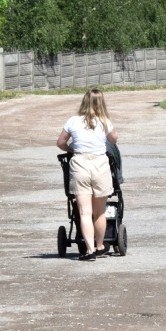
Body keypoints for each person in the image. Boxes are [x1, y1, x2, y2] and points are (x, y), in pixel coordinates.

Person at [56, 88, 119, 261]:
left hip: (80, 165)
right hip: (100, 165)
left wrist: (71, 149)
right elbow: (114, 139)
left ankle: (89, 250)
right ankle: (100, 246)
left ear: (84, 101)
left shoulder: (73, 121)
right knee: (99, 212)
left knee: (84, 212)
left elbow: (60, 142)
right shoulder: (105, 121)